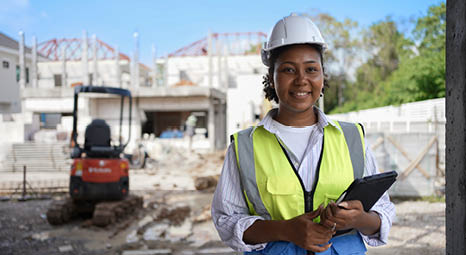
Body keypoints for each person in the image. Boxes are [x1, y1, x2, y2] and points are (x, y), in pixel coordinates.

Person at [211, 13, 395, 255]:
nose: (301, 80)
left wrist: (359, 219)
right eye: (288, 70)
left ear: (322, 76)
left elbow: (383, 213)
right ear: (271, 77)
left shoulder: (352, 137)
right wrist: (285, 230)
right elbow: (227, 222)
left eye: (311, 69)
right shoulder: (245, 146)